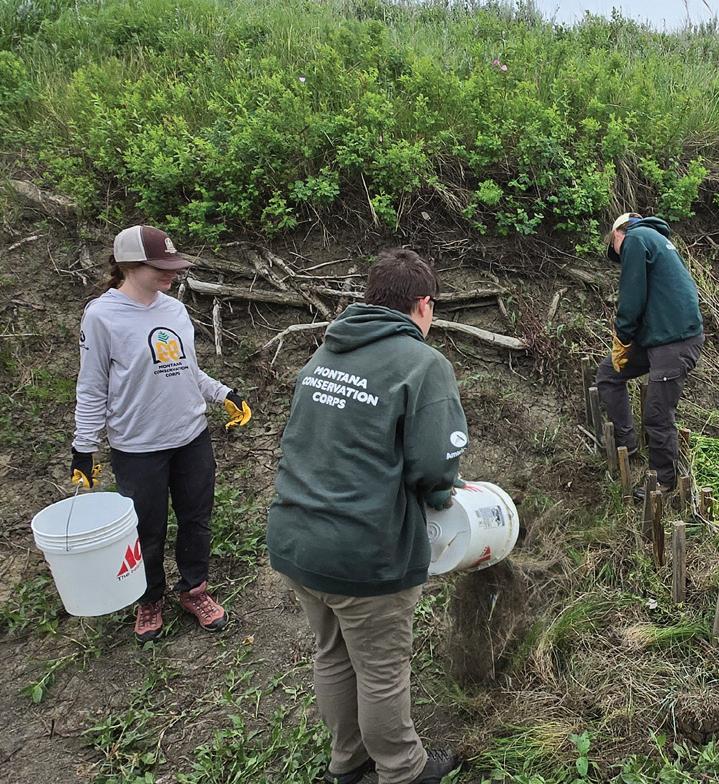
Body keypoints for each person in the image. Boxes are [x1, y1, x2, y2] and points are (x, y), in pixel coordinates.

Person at [267, 248, 464, 784]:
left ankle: (348, 763)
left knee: (332, 654)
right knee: (381, 669)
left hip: (296, 536)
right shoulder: (423, 364)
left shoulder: (326, 352)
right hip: (363, 549)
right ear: (423, 304)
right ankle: (402, 771)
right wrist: (442, 493)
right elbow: (434, 464)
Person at [71, 225, 252, 643]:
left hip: (191, 437)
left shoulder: (173, 310)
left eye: (174, 265)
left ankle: (194, 590)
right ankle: (149, 599)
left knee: (196, 519)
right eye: (161, 266)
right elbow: (92, 386)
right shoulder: (102, 316)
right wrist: (84, 446)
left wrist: (224, 394)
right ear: (129, 265)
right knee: (146, 530)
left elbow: (188, 370)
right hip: (138, 447)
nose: (171, 273)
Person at [596, 212, 704, 500]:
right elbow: (652, 298)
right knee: (609, 373)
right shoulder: (656, 240)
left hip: (675, 342)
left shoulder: (635, 238)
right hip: (660, 337)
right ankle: (627, 443)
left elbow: (632, 296)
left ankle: (664, 482)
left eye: (615, 249)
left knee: (657, 415)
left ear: (617, 233)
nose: (620, 257)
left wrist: (623, 336)